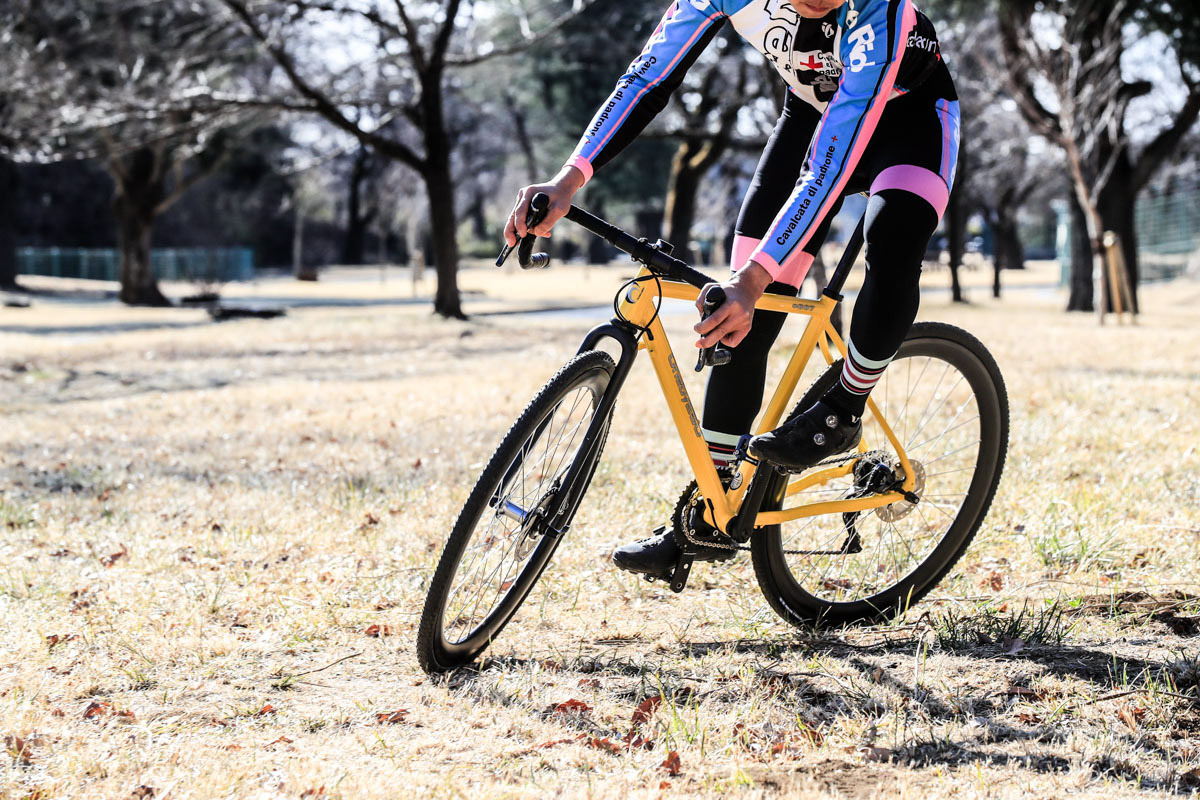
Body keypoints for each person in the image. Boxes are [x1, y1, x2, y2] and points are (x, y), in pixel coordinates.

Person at [503, 0, 960, 580]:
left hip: (909, 122)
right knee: (739, 320)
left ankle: (844, 407)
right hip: (811, 119)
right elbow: (648, 76)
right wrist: (570, 178)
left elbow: (836, 160)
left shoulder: (878, 9)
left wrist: (755, 276)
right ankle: (710, 513)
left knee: (892, 242)